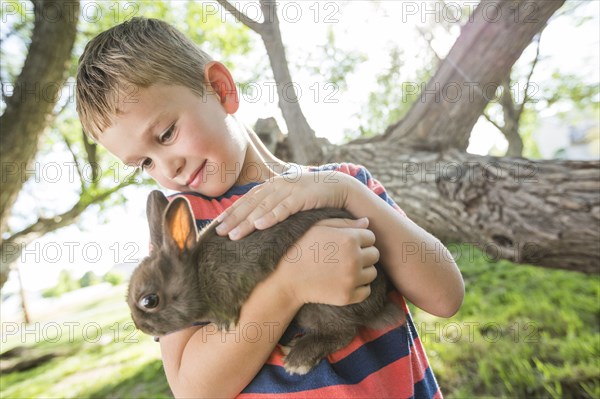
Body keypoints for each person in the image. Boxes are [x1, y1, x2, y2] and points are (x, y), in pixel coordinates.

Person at [76, 17, 464, 399]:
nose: (167, 168)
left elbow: (446, 296)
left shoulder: (344, 182)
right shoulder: (187, 231)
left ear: (219, 88)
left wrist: (347, 194)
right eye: (144, 163)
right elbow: (193, 389)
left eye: (166, 134)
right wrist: (288, 284)